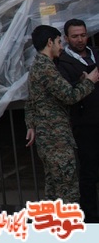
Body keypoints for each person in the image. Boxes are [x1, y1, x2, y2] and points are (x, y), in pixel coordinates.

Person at [25, 24, 99, 204]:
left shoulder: (39, 65)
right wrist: (90, 81)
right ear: (50, 42)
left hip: (49, 136)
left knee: (54, 188)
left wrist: (31, 125)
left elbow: (33, 100)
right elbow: (69, 96)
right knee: (67, 189)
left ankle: (53, 220)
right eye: (59, 42)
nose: (61, 47)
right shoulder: (46, 67)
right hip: (55, 138)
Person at [56, 18, 99, 221]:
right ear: (66, 38)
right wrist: (82, 82)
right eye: (75, 36)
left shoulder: (96, 53)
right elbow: (65, 92)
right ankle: (91, 218)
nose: (80, 40)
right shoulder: (62, 61)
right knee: (89, 172)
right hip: (85, 124)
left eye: (83, 35)